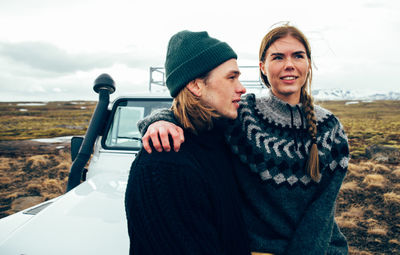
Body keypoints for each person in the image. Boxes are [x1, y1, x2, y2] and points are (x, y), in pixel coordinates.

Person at [138, 24, 350, 255]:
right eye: (278, 57)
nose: (289, 64)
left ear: (308, 63)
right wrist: (159, 120)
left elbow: (322, 212)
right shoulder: (243, 115)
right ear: (263, 67)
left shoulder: (330, 129)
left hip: (320, 249)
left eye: (298, 56)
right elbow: (195, 113)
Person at [124, 30, 251, 255]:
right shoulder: (164, 164)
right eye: (231, 77)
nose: (241, 88)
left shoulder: (221, 139)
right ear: (196, 86)